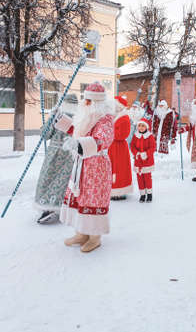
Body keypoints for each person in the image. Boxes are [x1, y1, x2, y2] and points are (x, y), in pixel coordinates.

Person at [54, 82, 114, 253]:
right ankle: (81, 232)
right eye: (85, 100)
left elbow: (103, 139)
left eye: (89, 101)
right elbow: (76, 130)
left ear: (97, 103)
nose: (85, 104)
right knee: (80, 196)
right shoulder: (87, 117)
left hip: (97, 166)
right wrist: (60, 119)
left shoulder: (105, 118)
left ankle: (94, 237)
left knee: (92, 197)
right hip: (82, 164)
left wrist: (80, 144)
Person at [34, 93, 78, 224]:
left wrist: (50, 120)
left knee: (48, 179)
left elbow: (45, 134)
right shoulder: (78, 117)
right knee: (63, 182)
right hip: (69, 154)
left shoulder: (59, 115)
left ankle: (49, 207)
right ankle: (58, 207)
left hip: (55, 153)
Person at [108, 95, 133, 200]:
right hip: (111, 146)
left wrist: (110, 132)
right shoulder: (113, 116)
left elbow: (123, 134)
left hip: (119, 148)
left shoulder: (124, 118)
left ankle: (120, 190)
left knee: (119, 169)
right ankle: (112, 189)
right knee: (111, 168)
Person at [130, 117, 156, 203]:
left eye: (143, 126)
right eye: (139, 126)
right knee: (140, 178)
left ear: (146, 127)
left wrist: (146, 154)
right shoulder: (135, 135)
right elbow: (132, 146)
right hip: (138, 160)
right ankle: (142, 194)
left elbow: (153, 147)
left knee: (147, 178)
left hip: (147, 160)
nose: (141, 127)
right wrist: (136, 153)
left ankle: (149, 194)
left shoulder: (149, 136)